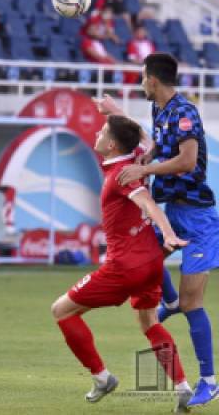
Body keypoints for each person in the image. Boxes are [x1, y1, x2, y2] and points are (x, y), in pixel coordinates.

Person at [98, 52, 219, 407]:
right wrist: (121, 119)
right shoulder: (160, 110)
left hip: (198, 220)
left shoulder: (185, 112)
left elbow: (187, 161)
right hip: (175, 211)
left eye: (141, 77)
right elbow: (153, 143)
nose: (140, 83)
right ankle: (170, 301)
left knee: (193, 302)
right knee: (145, 252)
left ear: (152, 79)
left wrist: (144, 170)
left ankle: (209, 381)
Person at [49, 115, 191, 412]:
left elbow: (147, 202)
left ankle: (102, 377)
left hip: (124, 268)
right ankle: (182, 387)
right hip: (151, 262)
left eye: (102, 131)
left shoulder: (120, 175)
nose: (97, 134)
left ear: (112, 144)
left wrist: (167, 233)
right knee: (149, 322)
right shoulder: (138, 157)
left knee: (61, 311)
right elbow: (143, 137)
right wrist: (114, 110)